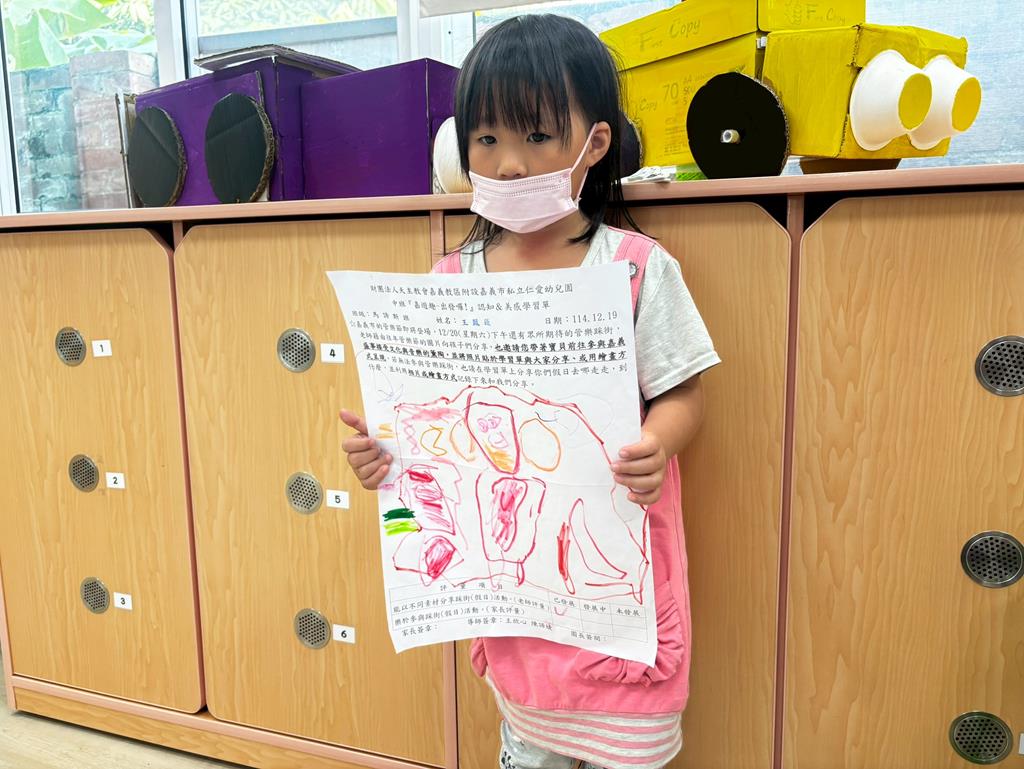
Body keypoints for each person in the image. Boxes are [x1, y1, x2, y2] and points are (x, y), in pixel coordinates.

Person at [341, 14, 720, 769]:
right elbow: (424, 420)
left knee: (630, 746)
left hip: (614, 575)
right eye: (486, 138)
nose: (510, 164)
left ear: (595, 143)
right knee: (528, 738)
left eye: (539, 136)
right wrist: (383, 455)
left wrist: (659, 441)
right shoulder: (450, 280)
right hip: (513, 586)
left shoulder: (634, 266)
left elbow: (683, 392)